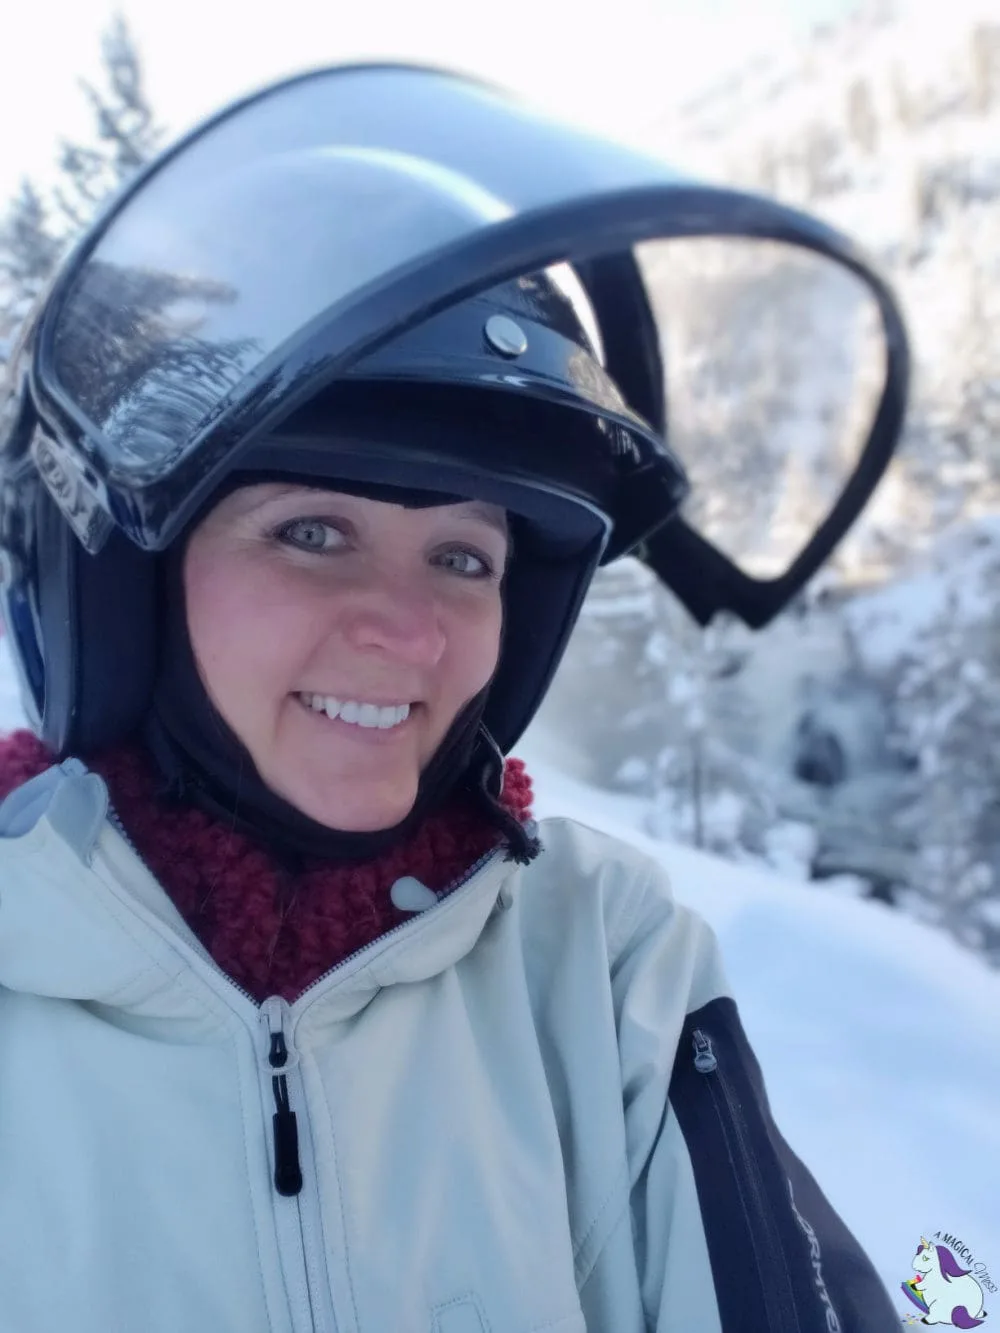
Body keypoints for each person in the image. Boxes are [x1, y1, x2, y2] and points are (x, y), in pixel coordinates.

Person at [0, 63, 899, 1331]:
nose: (412, 628)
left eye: (466, 558)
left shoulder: (598, 959)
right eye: (312, 530)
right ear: (121, 588)